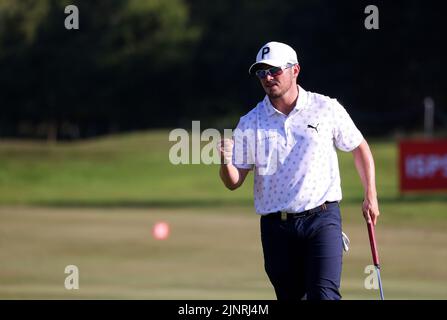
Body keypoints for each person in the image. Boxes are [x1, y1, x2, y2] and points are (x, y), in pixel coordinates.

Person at [218, 41, 380, 300]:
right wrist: (225, 161)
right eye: (262, 73)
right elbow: (234, 181)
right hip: (276, 227)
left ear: (295, 70)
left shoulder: (326, 108)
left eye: (274, 71)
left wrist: (370, 193)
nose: (268, 78)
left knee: (324, 295)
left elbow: (359, 148)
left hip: (322, 218)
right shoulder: (250, 122)